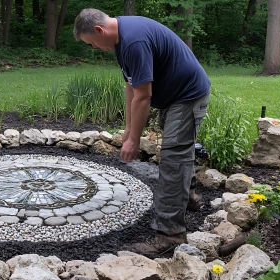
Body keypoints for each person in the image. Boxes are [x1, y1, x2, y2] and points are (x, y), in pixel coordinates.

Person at [73, 8, 211, 254]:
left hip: (187, 95)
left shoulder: (133, 41)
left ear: (99, 30)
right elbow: (131, 84)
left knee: (173, 158)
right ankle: (188, 195)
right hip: (175, 95)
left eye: (92, 43)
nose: (94, 48)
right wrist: (128, 128)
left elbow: (144, 96)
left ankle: (170, 235)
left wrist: (134, 140)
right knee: (179, 150)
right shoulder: (122, 38)